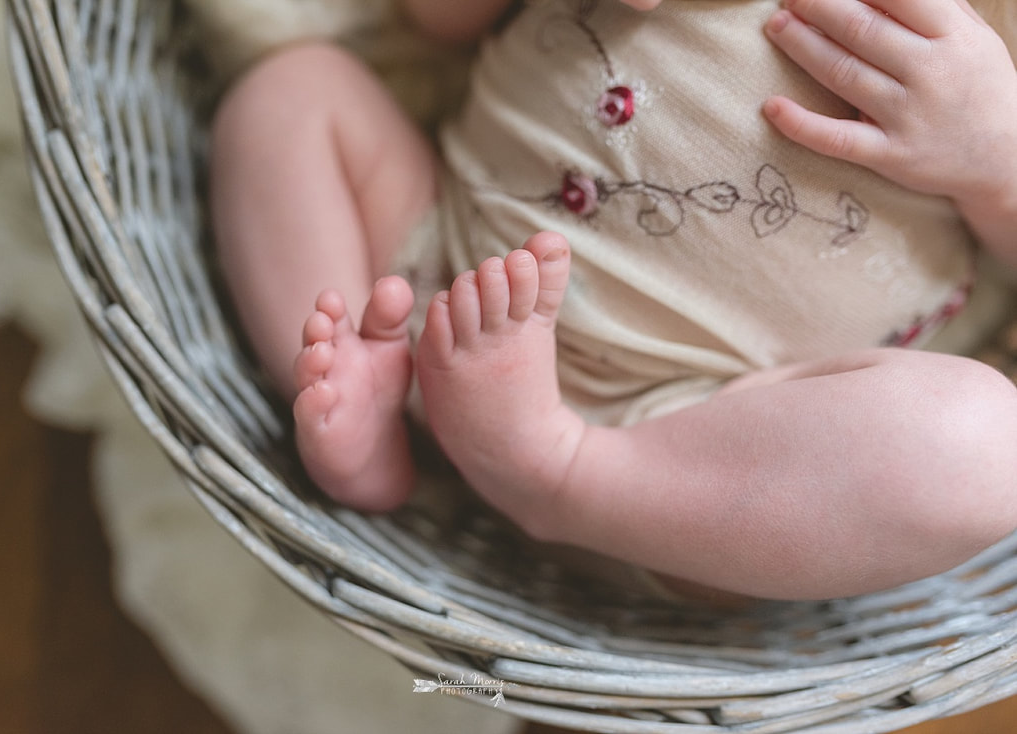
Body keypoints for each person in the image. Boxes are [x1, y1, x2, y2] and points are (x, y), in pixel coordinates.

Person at [209, 0, 1017, 600]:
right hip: (438, 263)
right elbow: (437, 20)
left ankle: (560, 474)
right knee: (291, 92)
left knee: (987, 450)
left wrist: (994, 153)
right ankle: (376, 411)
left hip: (694, 435)